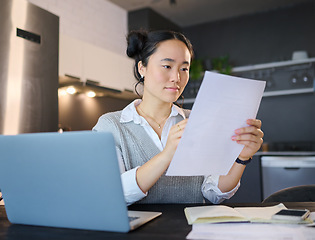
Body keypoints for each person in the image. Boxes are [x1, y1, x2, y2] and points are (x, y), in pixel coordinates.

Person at [93, 30, 264, 205]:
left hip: (188, 229)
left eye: (184, 68)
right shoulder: (111, 126)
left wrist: (241, 158)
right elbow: (112, 194)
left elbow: (214, 193)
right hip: (136, 231)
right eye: (167, 66)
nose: (177, 78)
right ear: (141, 68)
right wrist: (167, 154)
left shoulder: (196, 121)